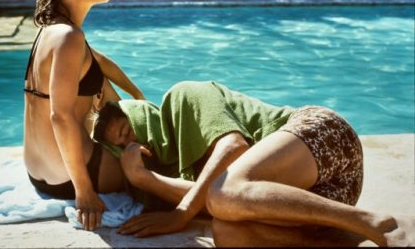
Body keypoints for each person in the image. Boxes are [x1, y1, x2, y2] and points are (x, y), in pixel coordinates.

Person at [93, 80, 415, 246]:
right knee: (227, 233)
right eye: (121, 146)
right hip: (321, 194)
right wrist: (144, 179)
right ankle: (354, 238)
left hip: (325, 138)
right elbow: (214, 201)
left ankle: (382, 224)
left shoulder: (181, 98)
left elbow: (233, 147)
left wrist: (180, 214)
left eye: (127, 131)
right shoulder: (171, 167)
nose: (132, 144)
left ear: (141, 114)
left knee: (224, 192)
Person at [23, 0, 144, 232]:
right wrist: (84, 191)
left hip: (37, 171)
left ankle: (134, 127)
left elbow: (99, 62)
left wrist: (138, 96)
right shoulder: (69, 37)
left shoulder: (53, 30)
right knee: (165, 162)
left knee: (97, 79)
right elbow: (60, 115)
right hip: (69, 176)